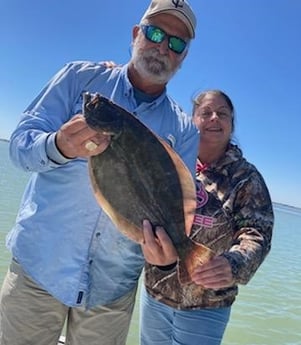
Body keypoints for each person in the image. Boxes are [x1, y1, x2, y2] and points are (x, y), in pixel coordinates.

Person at [0, 1, 199, 344]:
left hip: (113, 289)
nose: (163, 46)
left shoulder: (183, 128)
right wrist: (59, 145)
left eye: (177, 43)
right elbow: (19, 146)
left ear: (182, 57)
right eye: (154, 32)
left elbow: (180, 202)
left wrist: (168, 260)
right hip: (38, 267)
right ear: (136, 34)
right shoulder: (80, 77)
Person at [140, 89, 274, 345]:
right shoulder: (171, 163)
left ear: (231, 125)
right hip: (156, 292)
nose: (214, 118)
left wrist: (234, 264)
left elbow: (256, 234)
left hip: (207, 304)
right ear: (193, 120)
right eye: (206, 113)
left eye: (222, 114)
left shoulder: (246, 178)